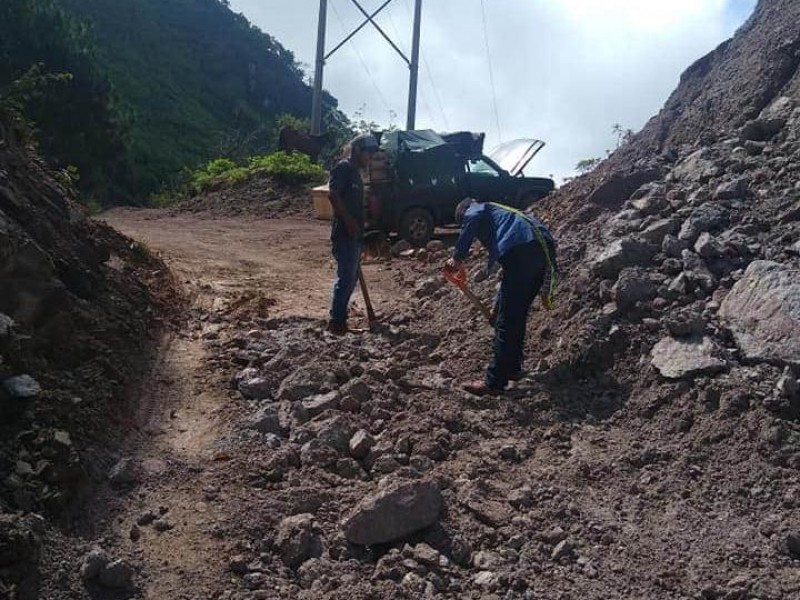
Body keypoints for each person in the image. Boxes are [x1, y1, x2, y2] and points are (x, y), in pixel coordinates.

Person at [445, 198, 558, 394]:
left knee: (507, 321)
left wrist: (457, 258)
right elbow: (511, 279)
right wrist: (497, 309)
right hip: (541, 249)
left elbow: (472, 216)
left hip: (523, 251)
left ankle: (494, 383)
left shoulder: (477, 208)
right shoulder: (503, 215)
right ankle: (512, 369)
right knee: (515, 314)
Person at [327, 133, 379, 335]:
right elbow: (333, 194)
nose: (370, 158)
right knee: (346, 277)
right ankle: (336, 321)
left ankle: (340, 318)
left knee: (351, 277)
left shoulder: (356, 174)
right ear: (357, 150)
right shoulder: (344, 168)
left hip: (355, 234)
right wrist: (348, 221)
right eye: (368, 153)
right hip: (344, 233)